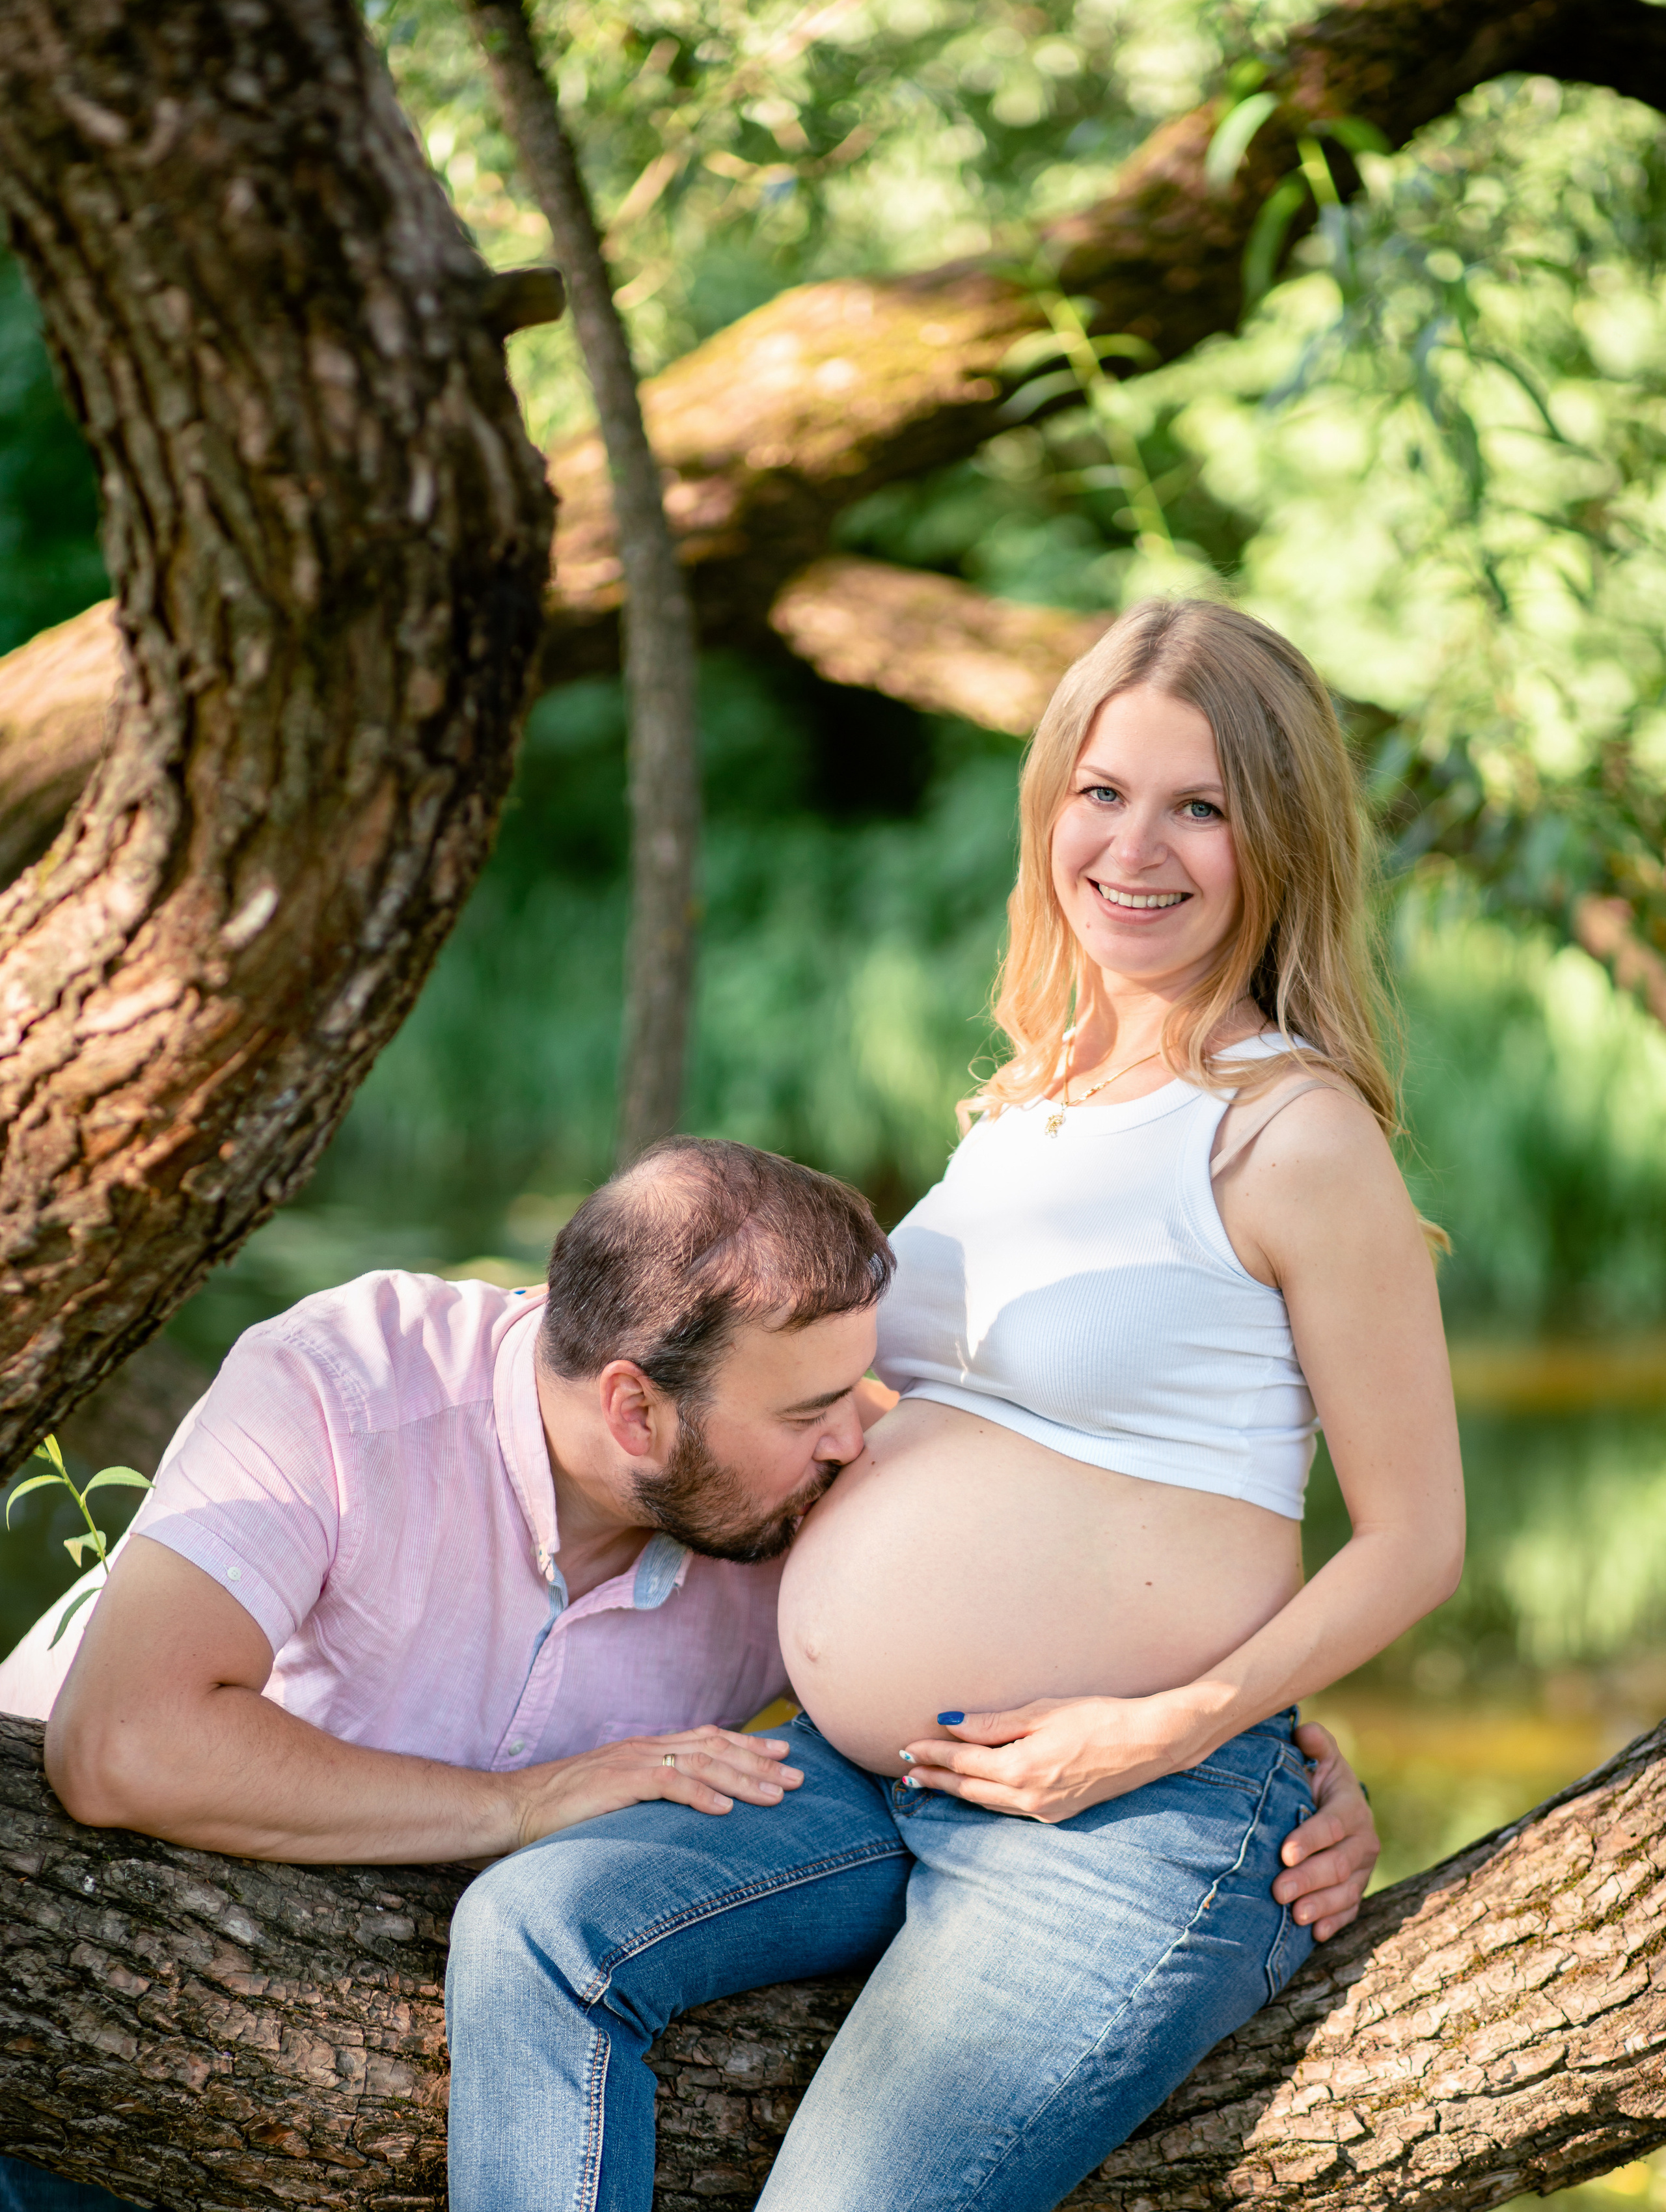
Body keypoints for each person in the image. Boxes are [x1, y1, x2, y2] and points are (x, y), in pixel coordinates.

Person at [439, 599, 1461, 2212]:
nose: (1136, 845)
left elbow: (1412, 1539)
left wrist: (1179, 1727)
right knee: (537, 1929)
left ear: (1275, 838)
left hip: (1129, 1816)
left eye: (1198, 805)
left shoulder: (1290, 1133)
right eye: (1100, 791)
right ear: (1048, 801)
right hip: (871, 1780)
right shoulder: (1025, 1101)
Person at [0, 1136, 1378, 2212]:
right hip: (82, 2013)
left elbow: (1054, 1587)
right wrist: (524, 1803)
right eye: (809, 1411)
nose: (858, 1440)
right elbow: (122, 1745)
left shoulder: (777, 1495)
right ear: (631, 1406)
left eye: (859, 1386)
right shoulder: (338, 1387)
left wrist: (1259, 1743)